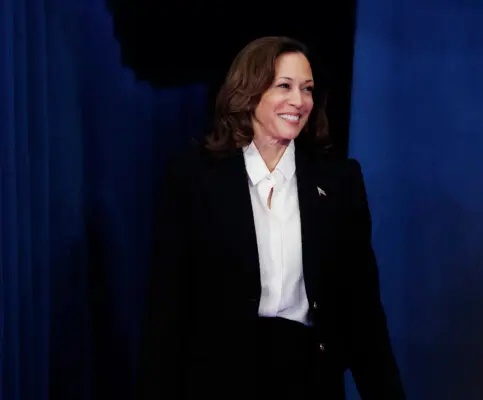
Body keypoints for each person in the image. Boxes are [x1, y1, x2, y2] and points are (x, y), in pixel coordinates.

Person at [135, 36, 405, 400]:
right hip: (219, 381)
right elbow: (166, 310)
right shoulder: (194, 179)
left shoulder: (339, 182)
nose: (300, 101)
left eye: (307, 89)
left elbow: (362, 311)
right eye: (285, 86)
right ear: (249, 92)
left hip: (309, 379)